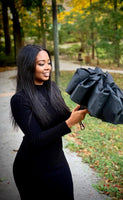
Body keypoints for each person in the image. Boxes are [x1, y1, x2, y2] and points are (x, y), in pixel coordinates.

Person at [10, 44, 89, 200]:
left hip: (57, 162)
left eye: (48, 63)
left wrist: (80, 110)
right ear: (28, 66)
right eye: (41, 64)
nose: (47, 67)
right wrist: (69, 123)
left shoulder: (52, 88)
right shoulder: (20, 100)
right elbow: (36, 140)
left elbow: (60, 118)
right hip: (32, 169)